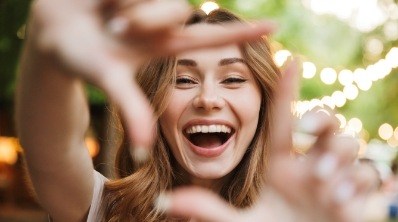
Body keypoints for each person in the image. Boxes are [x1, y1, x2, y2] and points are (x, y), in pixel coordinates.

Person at [16, 0, 377, 221]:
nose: (208, 98)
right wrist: (49, 64)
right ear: (154, 103)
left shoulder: (301, 215)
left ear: (264, 105)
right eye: (184, 80)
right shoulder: (103, 208)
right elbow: (53, 147)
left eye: (233, 79)